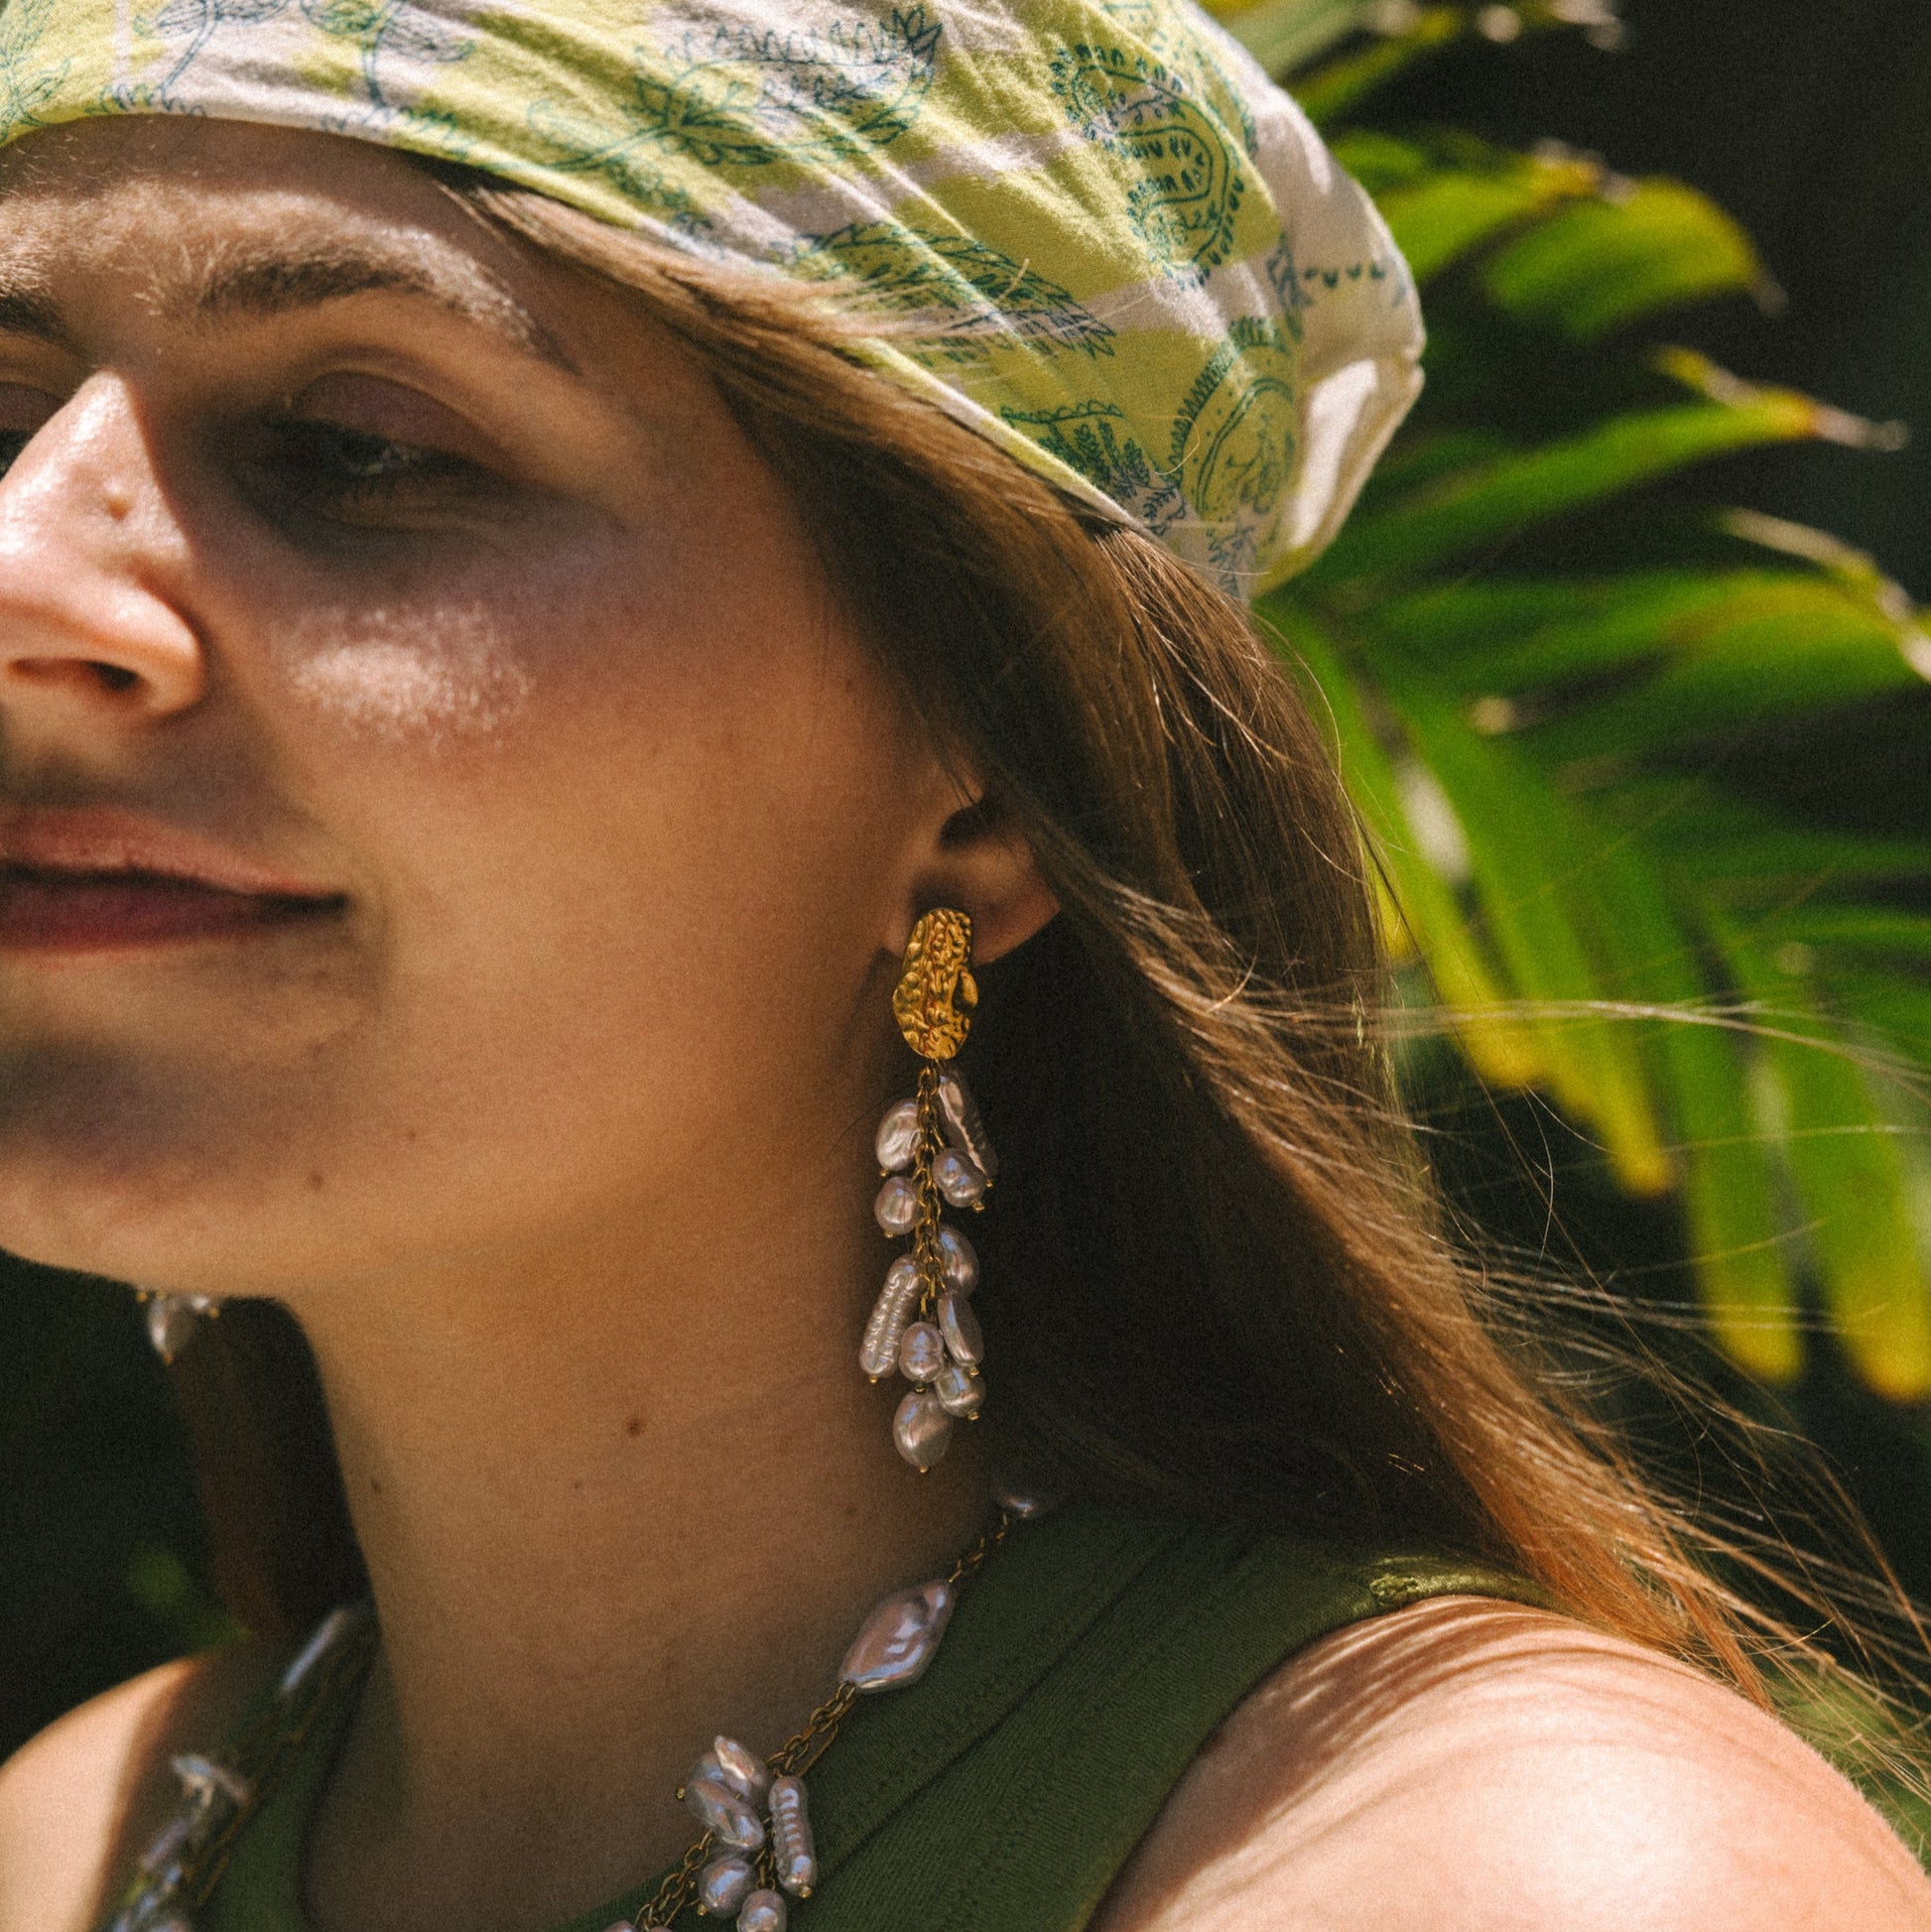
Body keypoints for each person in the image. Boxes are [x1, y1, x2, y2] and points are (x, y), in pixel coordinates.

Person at [0, 4, 1925, 1929]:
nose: (26, 569)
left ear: (983, 792)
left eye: (357, 448)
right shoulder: (70, 1833)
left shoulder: (1485, 1876)